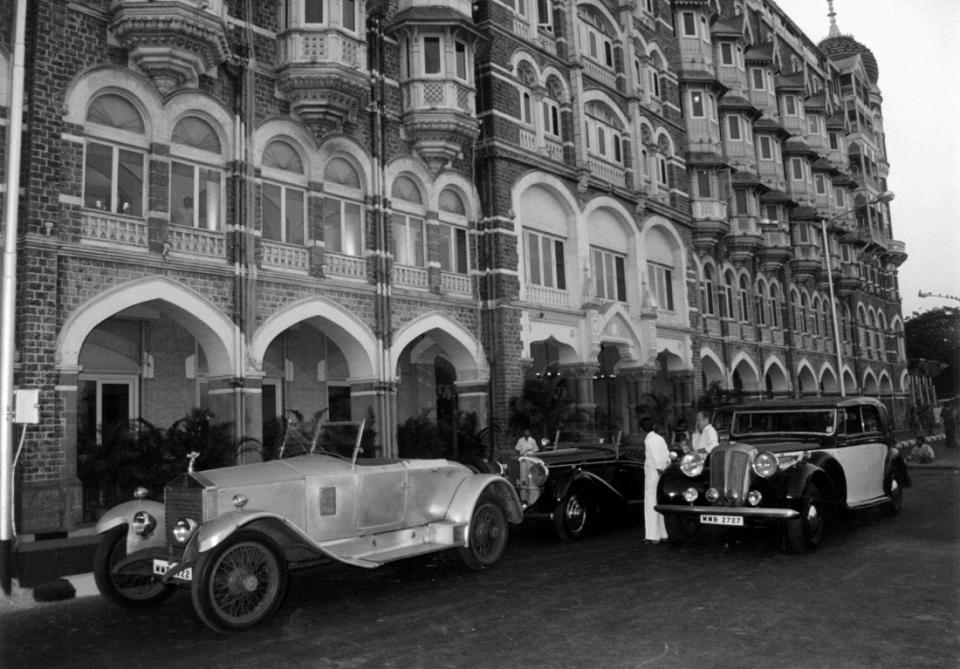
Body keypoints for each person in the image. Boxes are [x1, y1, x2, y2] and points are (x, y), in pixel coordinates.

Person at [643, 420, 671, 545]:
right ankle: (662, 533)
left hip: (653, 473)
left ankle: (652, 535)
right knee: (659, 502)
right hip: (661, 472)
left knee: (651, 503)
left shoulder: (649, 440)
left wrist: (660, 469)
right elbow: (666, 456)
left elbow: (656, 458)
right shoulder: (660, 438)